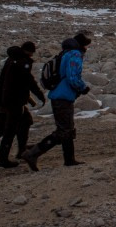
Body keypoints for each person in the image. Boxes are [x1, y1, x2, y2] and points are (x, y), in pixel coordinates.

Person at [22, 32, 92, 170]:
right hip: (63, 96)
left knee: (67, 129)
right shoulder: (75, 55)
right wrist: (83, 87)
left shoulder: (65, 53)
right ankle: (34, 153)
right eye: (86, 45)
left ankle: (69, 159)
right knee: (64, 130)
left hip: (59, 95)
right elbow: (72, 77)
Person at [0, 41, 45, 166]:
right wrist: (39, 94)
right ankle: (4, 158)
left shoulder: (12, 59)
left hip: (4, 98)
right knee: (11, 129)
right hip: (14, 101)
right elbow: (28, 81)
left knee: (2, 127)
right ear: (29, 51)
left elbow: (8, 81)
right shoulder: (22, 62)